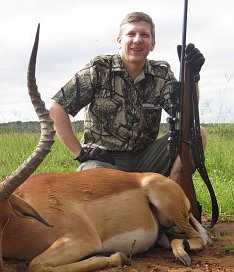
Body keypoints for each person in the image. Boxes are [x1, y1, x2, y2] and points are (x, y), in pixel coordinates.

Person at [49, 12, 205, 182]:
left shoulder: (162, 72)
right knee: (92, 179)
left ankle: (174, 189)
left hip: (147, 158)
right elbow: (57, 108)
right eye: (131, 34)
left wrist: (192, 77)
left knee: (197, 134)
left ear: (152, 44)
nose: (137, 40)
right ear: (119, 40)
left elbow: (186, 113)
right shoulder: (99, 69)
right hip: (105, 161)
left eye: (144, 35)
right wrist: (80, 153)